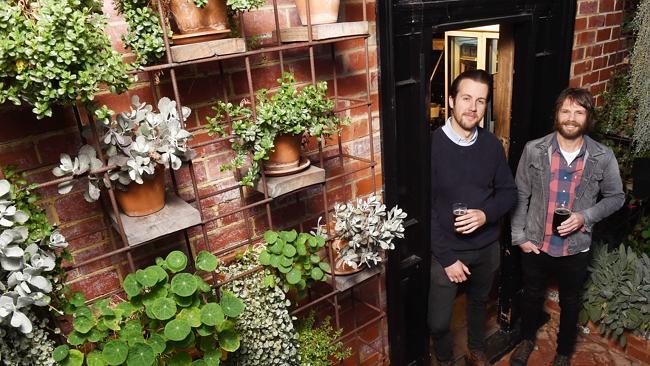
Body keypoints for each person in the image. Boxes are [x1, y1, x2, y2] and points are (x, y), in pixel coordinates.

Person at [509, 88, 624, 366]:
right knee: (532, 295)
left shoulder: (602, 156)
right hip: (536, 242)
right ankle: (526, 341)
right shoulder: (534, 149)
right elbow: (520, 194)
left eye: (579, 112)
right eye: (566, 111)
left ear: (588, 118)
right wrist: (519, 236)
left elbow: (617, 197)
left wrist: (585, 216)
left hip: (576, 246)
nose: (571, 118)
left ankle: (563, 352)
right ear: (557, 115)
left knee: (571, 302)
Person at [429, 69, 517, 366]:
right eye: (466, 98)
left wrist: (485, 215)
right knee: (439, 322)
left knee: (479, 303)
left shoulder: (491, 145)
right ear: (451, 101)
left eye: (480, 101)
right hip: (447, 251)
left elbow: (509, 193)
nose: (473, 107)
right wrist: (446, 257)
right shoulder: (431, 146)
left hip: (486, 247)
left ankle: (476, 349)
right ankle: (444, 359)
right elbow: (423, 208)